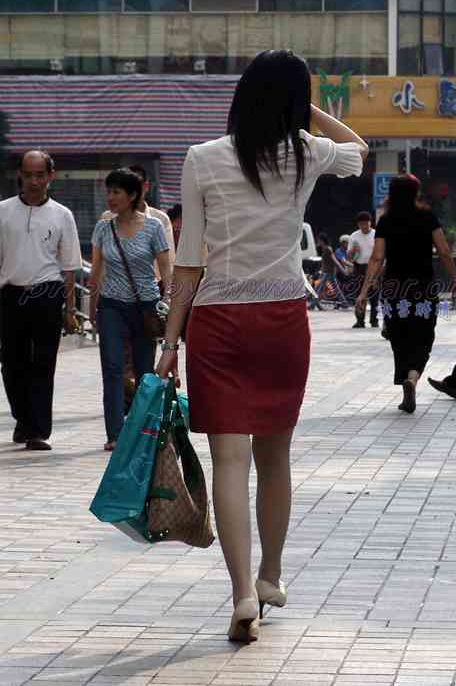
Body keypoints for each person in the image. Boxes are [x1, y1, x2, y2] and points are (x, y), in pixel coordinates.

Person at [156, 50, 368, 643]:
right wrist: (309, 112)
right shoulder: (306, 151)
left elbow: (189, 262)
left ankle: (242, 593)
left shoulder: (202, 157)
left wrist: (170, 343)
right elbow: (358, 150)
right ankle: (271, 575)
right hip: (281, 320)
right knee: (276, 458)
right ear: (295, 101)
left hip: (217, 321)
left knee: (230, 460)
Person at [356, 174, 456, 414]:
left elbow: (377, 257)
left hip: (394, 289)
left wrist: (363, 292)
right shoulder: (428, 216)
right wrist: (455, 280)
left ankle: (407, 378)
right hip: (424, 287)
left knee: (400, 336)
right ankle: (412, 378)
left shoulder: (386, 220)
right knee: (423, 335)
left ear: (392, 193)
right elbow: (444, 251)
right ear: (416, 192)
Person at [0, 150, 82, 451]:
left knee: (43, 363)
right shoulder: (3, 211)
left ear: (51, 176)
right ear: (19, 175)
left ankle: (38, 430)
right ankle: (23, 420)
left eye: (40, 175)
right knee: (11, 363)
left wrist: (71, 309)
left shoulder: (62, 215)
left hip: (47, 293)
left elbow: (69, 266)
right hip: (10, 293)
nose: (33, 181)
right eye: (28, 174)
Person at [89, 168, 171, 451]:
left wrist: (167, 302)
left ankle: (142, 431)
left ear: (133, 195)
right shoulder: (103, 228)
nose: (110, 197)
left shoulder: (154, 226)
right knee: (112, 368)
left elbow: (166, 269)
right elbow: (96, 271)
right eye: (108, 192)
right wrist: (92, 307)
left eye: (117, 192)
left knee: (144, 371)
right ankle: (115, 433)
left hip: (145, 307)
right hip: (111, 306)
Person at [348, 211, 379, 328]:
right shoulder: (354, 236)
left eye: (366, 223)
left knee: (374, 296)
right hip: (359, 268)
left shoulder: (377, 235)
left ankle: (374, 320)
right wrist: (353, 250)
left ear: (370, 222)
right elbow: (349, 257)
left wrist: (377, 274)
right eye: (361, 224)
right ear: (358, 224)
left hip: (374, 268)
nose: (364, 226)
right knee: (359, 295)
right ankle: (360, 320)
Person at [314, 232, 349, 308]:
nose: (318, 242)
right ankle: (344, 303)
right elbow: (325, 262)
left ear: (322, 240)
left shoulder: (328, 249)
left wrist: (343, 270)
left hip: (328, 273)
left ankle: (313, 304)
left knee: (319, 288)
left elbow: (335, 261)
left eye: (318, 240)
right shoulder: (324, 248)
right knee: (323, 288)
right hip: (326, 272)